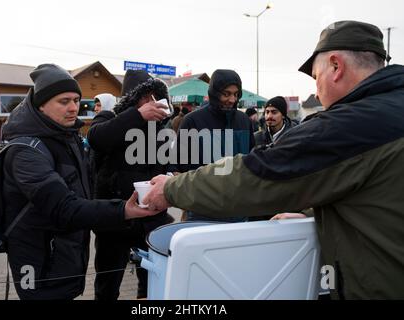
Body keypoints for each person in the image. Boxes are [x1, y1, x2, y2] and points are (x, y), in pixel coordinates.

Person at [144, 20, 404, 299]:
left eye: (316, 77)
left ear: (336, 66)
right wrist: (311, 213)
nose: (316, 92)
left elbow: (258, 172)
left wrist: (172, 189)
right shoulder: (392, 109)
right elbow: (376, 194)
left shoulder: (352, 124)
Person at [0, 64, 160, 300]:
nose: (74, 107)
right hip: (37, 257)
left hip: (66, 252)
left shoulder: (67, 137)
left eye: (76, 100)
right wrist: (123, 210)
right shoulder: (26, 151)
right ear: (40, 104)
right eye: (64, 101)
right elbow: (64, 207)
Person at [87, 69, 174, 300]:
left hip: (150, 217)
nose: (151, 103)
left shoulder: (160, 130)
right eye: (145, 97)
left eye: (155, 97)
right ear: (132, 99)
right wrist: (137, 115)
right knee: (108, 282)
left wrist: (172, 175)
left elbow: (166, 165)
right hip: (115, 217)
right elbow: (97, 138)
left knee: (151, 281)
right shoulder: (108, 118)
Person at [168, 69, 253, 222]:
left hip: (238, 209)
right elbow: (176, 168)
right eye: (226, 94)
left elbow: (252, 162)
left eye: (235, 94)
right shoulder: (192, 121)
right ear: (214, 93)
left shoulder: (244, 121)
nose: (232, 99)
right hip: (201, 211)